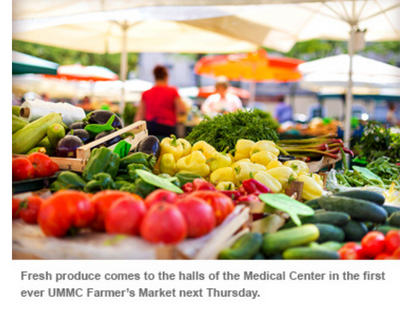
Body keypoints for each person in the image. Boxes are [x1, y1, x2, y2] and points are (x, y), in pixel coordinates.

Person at [134, 65, 187, 137]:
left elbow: (140, 114)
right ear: (166, 77)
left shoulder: (146, 93)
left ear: (155, 77)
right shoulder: (172, 91)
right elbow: (182, 109)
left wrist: (135, 130)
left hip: (150, 127)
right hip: (167, 128)